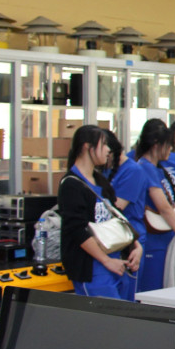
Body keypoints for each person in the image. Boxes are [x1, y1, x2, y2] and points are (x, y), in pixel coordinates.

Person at [58, 125, 143, 299]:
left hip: (117, 263)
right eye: (103, 144)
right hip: (94, 268)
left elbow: (117, 216)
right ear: (87, 147)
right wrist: (106, 261)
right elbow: (77, 229)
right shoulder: (71, 185)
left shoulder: (100, 181)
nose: (108, 150)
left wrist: (136, 245)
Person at [136, 121, 175, 293]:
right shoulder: (145, 168)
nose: (170, 150)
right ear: (156, 145)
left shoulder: (157, 169)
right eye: (168, 145)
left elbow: (171, 205)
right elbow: (164, 208)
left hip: (166, 239)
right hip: (154, 241)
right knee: (153, 292)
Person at [105, 129, 148, 247]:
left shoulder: (133, 171)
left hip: (129, 234)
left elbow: (118, 207)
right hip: (112, 234)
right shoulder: (106, 169)